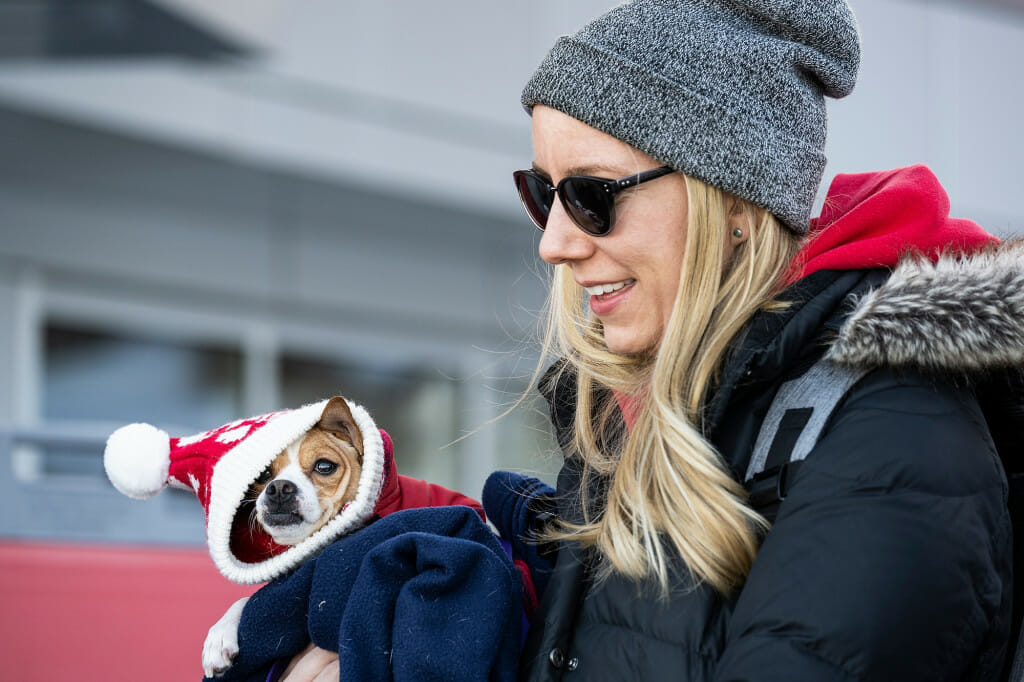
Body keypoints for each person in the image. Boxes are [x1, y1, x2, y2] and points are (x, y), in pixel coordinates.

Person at [285, 0, 1022, 679]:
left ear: (733, 200)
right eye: (542, 192)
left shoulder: (891, 437)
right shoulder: (647, 413)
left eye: (591, 195)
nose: (555, 242)